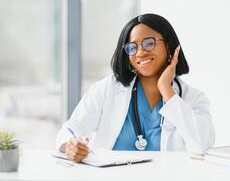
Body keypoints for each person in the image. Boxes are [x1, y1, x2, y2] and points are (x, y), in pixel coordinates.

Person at [56, 13, 215, 162]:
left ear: (170, 46)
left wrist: (166, 89)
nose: (140, 53)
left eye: (149, 43)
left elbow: (202, 145)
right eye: (132, 47)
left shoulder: (193, 98)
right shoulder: (107, 89)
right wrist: (70, 145)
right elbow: (71, 128)